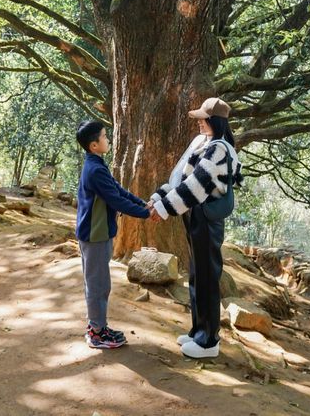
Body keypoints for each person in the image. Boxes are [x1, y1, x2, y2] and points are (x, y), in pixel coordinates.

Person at [149, 96, 242, 359]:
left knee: (207, 279)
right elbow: (182, 179)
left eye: (203, 118)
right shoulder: (205, 144)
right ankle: (197, 332)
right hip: (195, 216)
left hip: (207, 219)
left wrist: (164, 209)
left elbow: (196, 186)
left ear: (215, 121)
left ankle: (208, 341)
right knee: (196, 275)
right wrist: (159, 198)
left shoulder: (219, 149)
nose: (199, 122)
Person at [76, 119, 159, 349]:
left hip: (98, 233)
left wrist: (144, 205)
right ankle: (96, 333)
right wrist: (147, 214)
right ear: (94, 145)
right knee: (97, 284)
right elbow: (116, 201)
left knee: (99, 283)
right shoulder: (94, 170)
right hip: (95, 235)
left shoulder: (97, 165)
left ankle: (99, 326)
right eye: (104, 136)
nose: (108, 139)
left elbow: (119, 191)